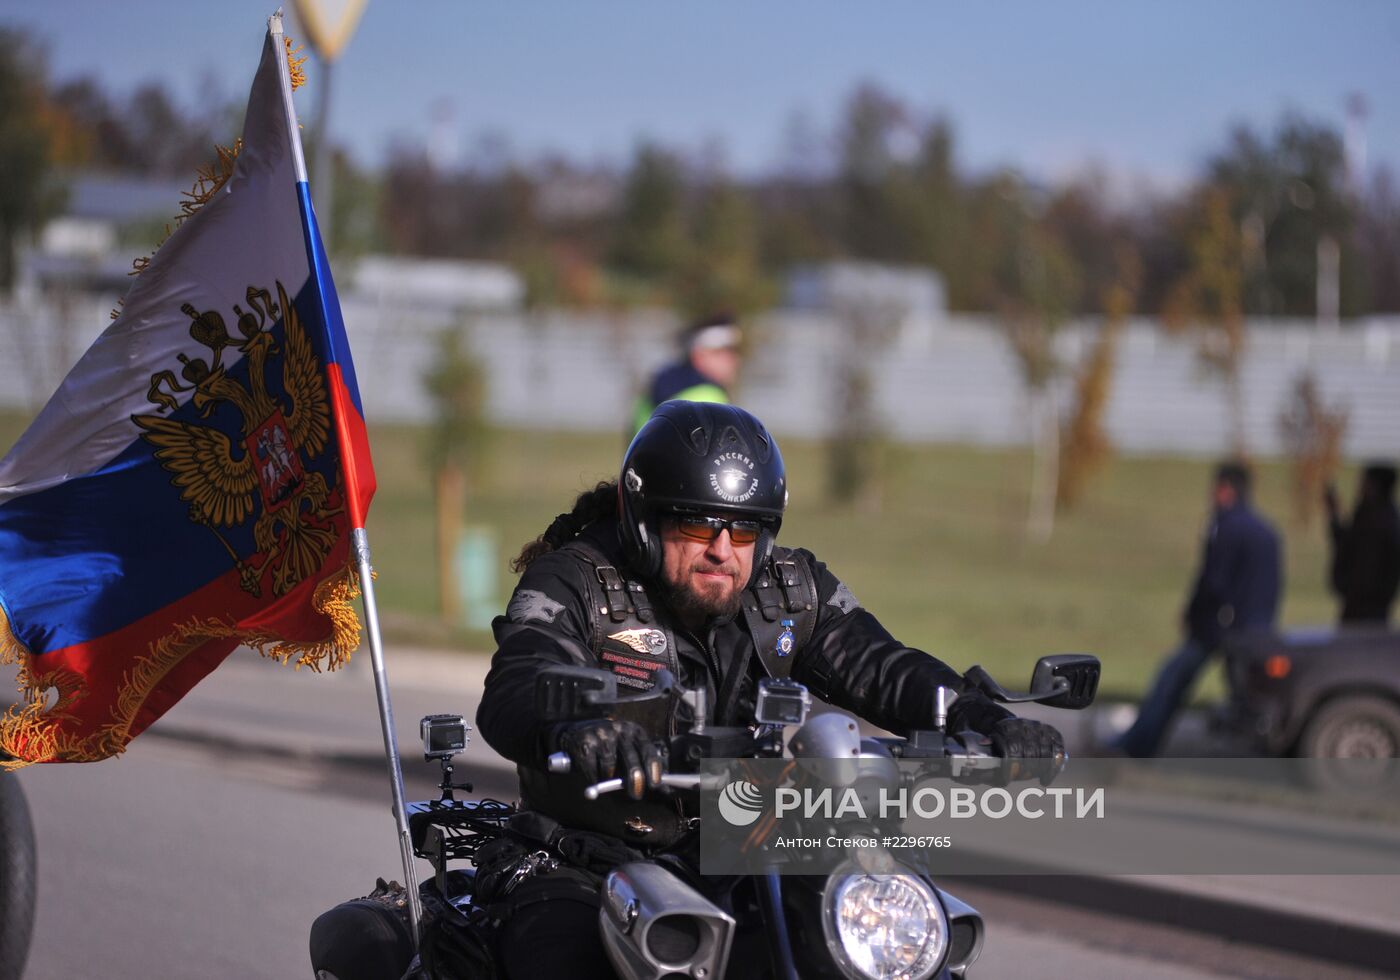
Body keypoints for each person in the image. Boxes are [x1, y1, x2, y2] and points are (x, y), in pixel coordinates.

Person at [477, 400, 1065, 978]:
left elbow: (882, 664)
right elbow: (520, 678)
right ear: (644, 519)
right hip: (584, 859)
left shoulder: (789, 591)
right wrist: (578, 728)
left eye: (744, 529)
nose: (722, 550)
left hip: (747, 847)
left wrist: (983, 718)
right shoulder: (577, 582)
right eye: (698, 523)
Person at [1115, 462, 1282, 758]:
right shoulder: (1267, 530)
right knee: (1246, 693)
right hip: (1257, 627)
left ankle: (1137, 745)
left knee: (1171, 679)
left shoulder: (1225, 526)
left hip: (1220, 627)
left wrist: (1193, 615)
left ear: (1224, 489)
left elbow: (1212, 581)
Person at [630, 313, 742, 433]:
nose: (735, 359)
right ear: (699, 354)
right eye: (725, 352)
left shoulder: (650, 393)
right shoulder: (712, 399)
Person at [1325, 463, 1400, 626]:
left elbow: (1351, 551)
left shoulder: (1376, 524)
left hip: (1365, 611)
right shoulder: (1384, 521)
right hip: (1371, 610)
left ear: (1374, 486)